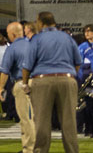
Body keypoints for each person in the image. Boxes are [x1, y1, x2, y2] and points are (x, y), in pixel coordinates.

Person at [21, 11, 83, 153]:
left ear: (40, 23)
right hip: (67, 79)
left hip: (43, 81)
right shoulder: (67, 38)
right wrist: (70, 75)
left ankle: (41, 151)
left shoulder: (37, 39)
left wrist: (25, 83)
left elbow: (27, 65)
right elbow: (78, 62)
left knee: (42, 122)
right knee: (69, 122)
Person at [1, 21, 35, 153]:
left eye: (8, 34)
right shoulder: (33, 44)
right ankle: (38, 147)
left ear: (13, 34)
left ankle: (29, 149)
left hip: (22, 83)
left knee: (25, 118)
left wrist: (1, 88)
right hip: (38, 82)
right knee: (36, 117)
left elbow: (5, 70)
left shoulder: (13, 47)